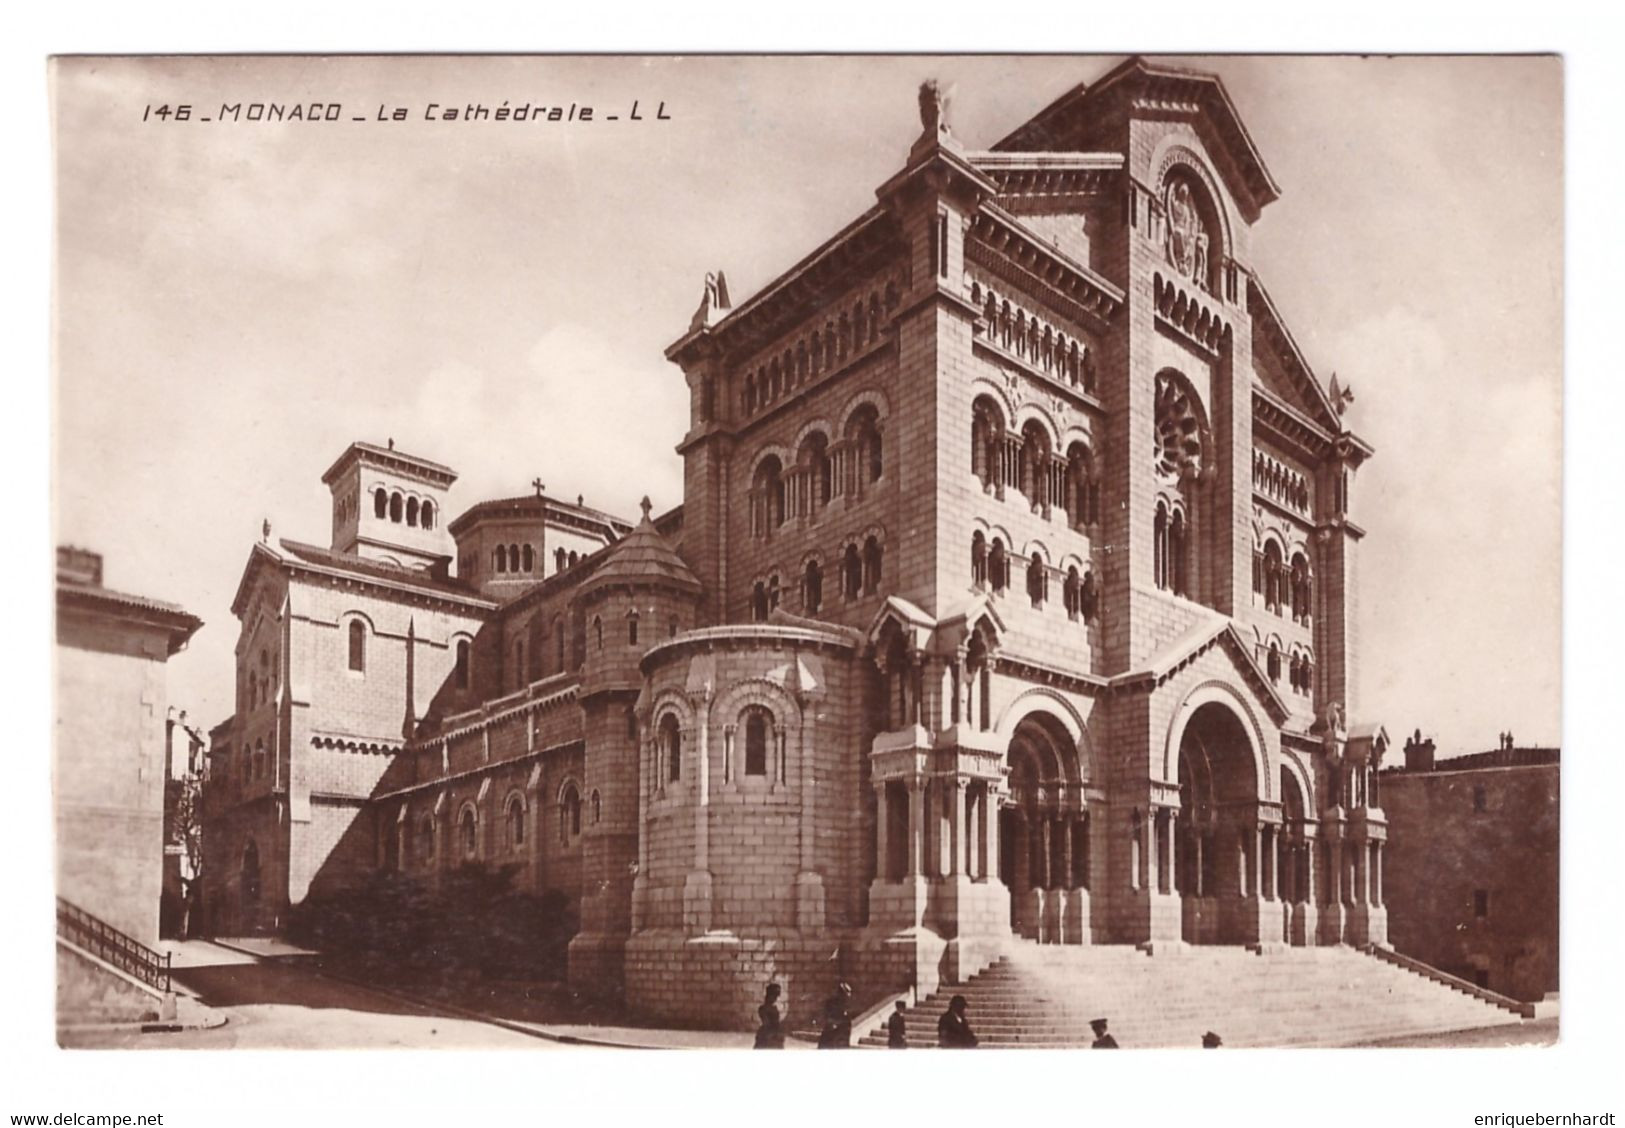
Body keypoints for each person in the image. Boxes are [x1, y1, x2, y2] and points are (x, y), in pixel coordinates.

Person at [816, 982, 853, 1049]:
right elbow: (826, 1016)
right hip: (831, 1034)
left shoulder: (847, 1005)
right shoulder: (831, 1003)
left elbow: (848, 1024)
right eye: (847, 992)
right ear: (840, 994)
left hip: (842, 1037)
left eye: (849, 992)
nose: (849, 995)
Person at [753, 983, 785, 1049]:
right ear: (770, 995)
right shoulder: (764, 1009)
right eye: (775, 996)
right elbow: (766, 1024)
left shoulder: (772, 1008)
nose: (776, 998)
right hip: (768, 1037)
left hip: (774, 1035)